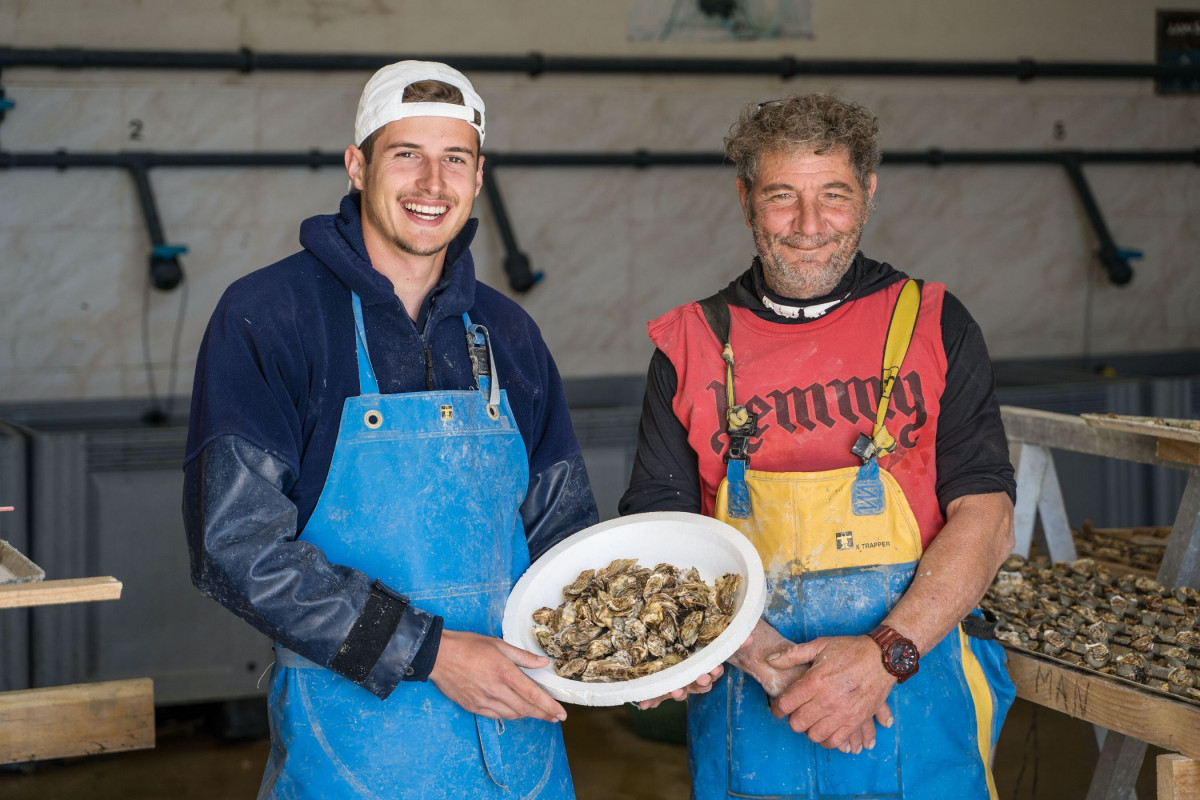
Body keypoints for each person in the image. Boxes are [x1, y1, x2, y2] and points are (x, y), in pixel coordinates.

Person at [182, 60, 598, 799]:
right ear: (357, 165)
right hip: (352, 745)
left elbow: (563, 531)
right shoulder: (270, 317)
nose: (432, 184)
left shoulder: (509, 332)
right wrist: (431, 654)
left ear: (478, 175)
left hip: (519, 741)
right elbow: (237, 548)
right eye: (407, 154)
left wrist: (626, 660)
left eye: (455, 159)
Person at [619, 93, 1017, 799]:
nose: (809, 226)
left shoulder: (933, 323)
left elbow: (985, 516)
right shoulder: (689, 346)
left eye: (832, 195)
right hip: (754, 704)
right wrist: (768, 659)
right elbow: (665, 537)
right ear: (746, 200)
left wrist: (883, 657)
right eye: (781, 197)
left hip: (916, 693)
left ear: (867, 192)